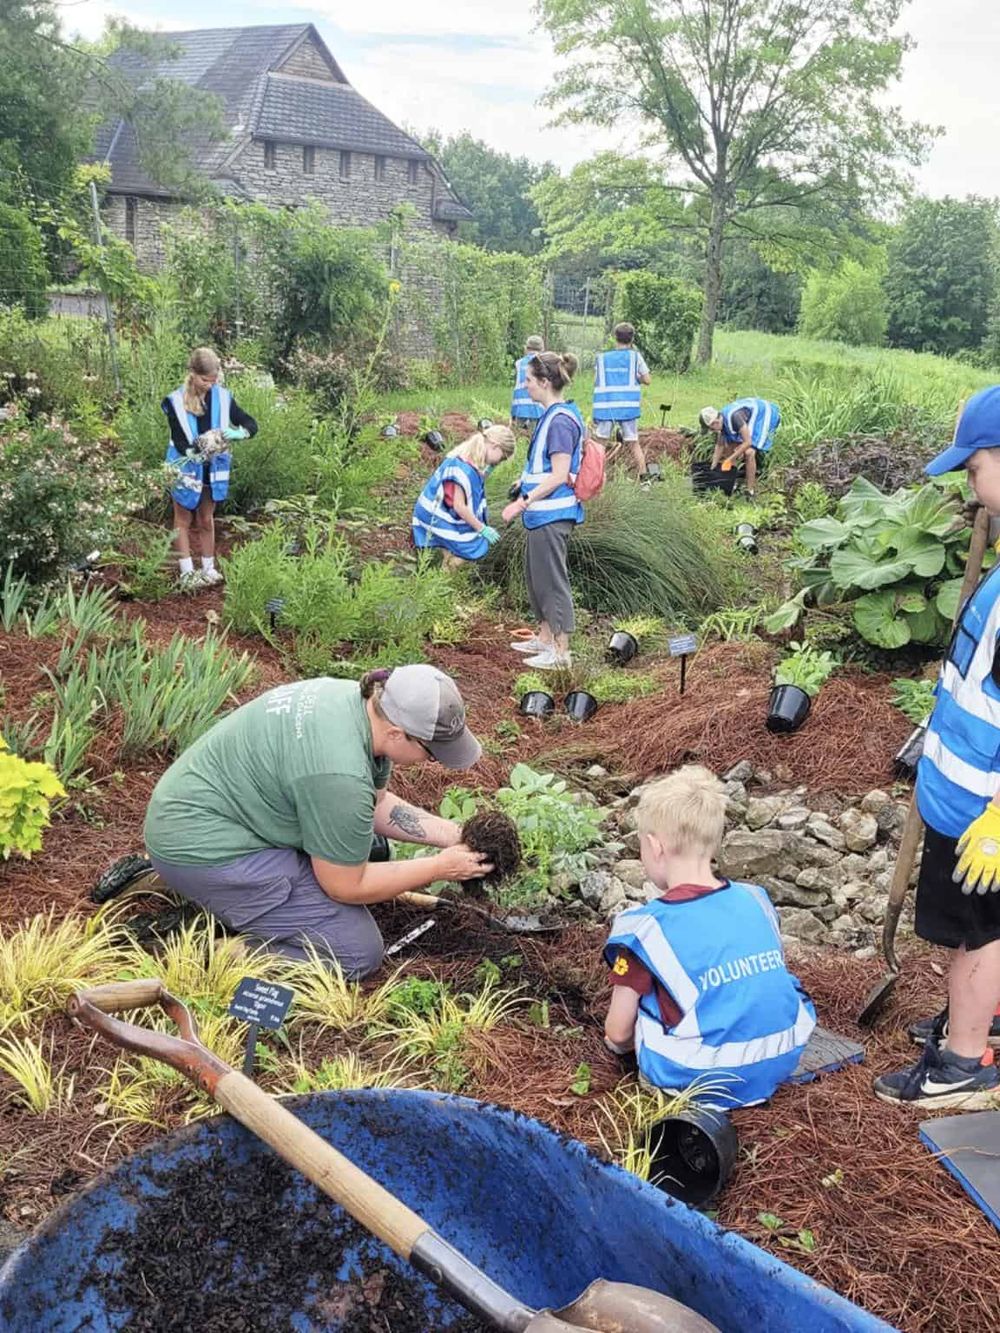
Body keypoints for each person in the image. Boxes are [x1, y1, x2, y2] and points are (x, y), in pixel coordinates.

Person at [143, 667, 491, 978]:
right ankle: (218, 951)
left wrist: (453, 835)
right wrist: (439, 868)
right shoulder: (340, 774)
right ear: (398, 733)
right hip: (206, 849)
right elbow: (345, 886)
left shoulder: (358, 705)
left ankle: (218, 893)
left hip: (205, 812)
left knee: (367, 848)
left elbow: (376, 805)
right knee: (356, 952)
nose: (433, 762)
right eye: (432, 753)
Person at [874, 386, 1000, 1108]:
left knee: (980, 932)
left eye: (974, 467)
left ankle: (962, 1064)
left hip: (984, 812)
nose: (967, 484)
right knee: (985, 932)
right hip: (964, 794)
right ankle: (982, 1017)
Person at [603, 765, 816, 1108]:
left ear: (655, 848)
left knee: (641, 1007)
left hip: (697, 1075)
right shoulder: (756, 898)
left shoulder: (643, 928)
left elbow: (618, 1034)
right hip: (784, 1055)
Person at [502, 351, 585, 671]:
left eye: (529, 381)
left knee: (552, 580)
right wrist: (522, 480)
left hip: (552, 512)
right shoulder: (551, 415)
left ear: (545, 382)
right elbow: (546, 466)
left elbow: (560, 474)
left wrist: (522, 500)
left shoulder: (561, 421)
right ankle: (544, 638)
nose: (525, 387)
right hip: (541, 513)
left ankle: (561, 653)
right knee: (537, 577)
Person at [163, 347, 258, 591]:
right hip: (185, 467)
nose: (209, 385)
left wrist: (240, 432)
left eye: (214, 380)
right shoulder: (174, 401)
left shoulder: (223, 396)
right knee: (183, 518)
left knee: (206, 518)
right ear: (193, 374)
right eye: (205, 380)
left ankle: (208, 568)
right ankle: (186, 572)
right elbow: (180, 439)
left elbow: (250, 422)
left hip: (212, 469)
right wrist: (192, 452)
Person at [412, 425, 515, 568]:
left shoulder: (467, 456)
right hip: (436, 515)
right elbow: (459, 506)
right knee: (469, 548)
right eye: (502, 457)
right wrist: (482, 528)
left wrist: (488, 471)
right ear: (495, 446)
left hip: (437, 509)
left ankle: (440, 580)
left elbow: (472, 484)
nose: (499, 462)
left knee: (451, 555)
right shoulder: (462, 469)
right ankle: (440, 580)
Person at [592, 322, 652, 477]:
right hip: (627, 407)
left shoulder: (602, 358)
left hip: (606, 407)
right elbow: (647, 380)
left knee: (600, 444)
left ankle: (593, 477)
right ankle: (644, 477)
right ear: (632, 339)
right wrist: (636, 377)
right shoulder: (635, 357)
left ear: (615, 337)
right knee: (633, 443)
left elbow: (596, 380)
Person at [699, 399, 780, 499]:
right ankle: (732, 482)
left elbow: (748, 442)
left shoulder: (734, 417)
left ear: (714, 423)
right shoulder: (722, 421)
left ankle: (750, 491)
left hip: (764, 414)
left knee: (749, 452)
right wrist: (713, 466)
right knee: (729, 446)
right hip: (748, 418)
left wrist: (729, 459)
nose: (712, 431)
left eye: (711, 429)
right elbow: (719, 445)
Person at [510, 335, 545, 429]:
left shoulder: (519, 363)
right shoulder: (543, 363)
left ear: (526, 348)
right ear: (542, 349)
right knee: (534, 436)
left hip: (519, 407)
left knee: (518, 434)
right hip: (536, 407)